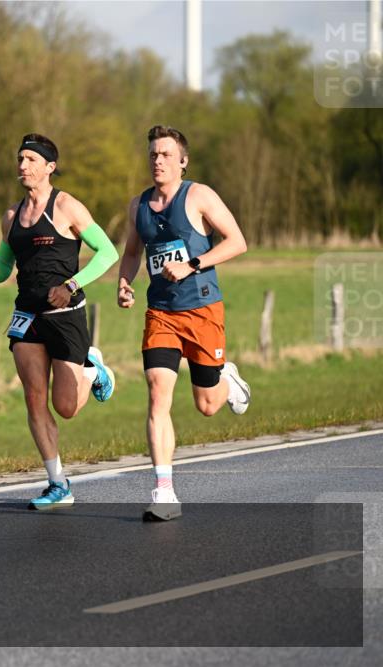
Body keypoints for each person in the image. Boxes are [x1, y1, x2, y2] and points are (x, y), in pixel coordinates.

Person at [116, 125, 251, 521]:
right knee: (158, 393)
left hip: (202, 309)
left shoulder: (199, 195)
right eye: (153, 155)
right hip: (161, 313)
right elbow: (131, 252)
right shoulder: (137, 206)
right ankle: (163, 491)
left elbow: (237, 241)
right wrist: (125, 283)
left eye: (166, 155)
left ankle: (228, 379)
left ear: (182, 161)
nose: (158, 161)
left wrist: (192, 264)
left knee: (207, 404)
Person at [0, 133, 118, 511]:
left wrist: (71, 284)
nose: (22, 166)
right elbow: (8, 262)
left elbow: (108, 253)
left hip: (65, 313)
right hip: (27, 314)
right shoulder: (11, 216)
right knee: (33, 397)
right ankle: (58, 483)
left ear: (49, 167)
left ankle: (93, 370)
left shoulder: (67, 207)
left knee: (67, 406)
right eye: (19, 159)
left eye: (30, 160)